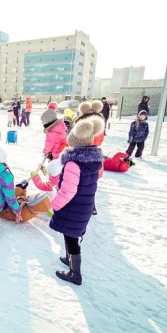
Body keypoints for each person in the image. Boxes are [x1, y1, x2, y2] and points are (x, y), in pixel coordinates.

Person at [50, 113, 105, 285]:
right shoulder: (92, 161)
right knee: (72, 235)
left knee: (71, 238)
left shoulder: (73, 164)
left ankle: (75, 273)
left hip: (73, 207)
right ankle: (69, 259)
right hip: (84, 206)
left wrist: (54, 204)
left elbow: (67, 192)